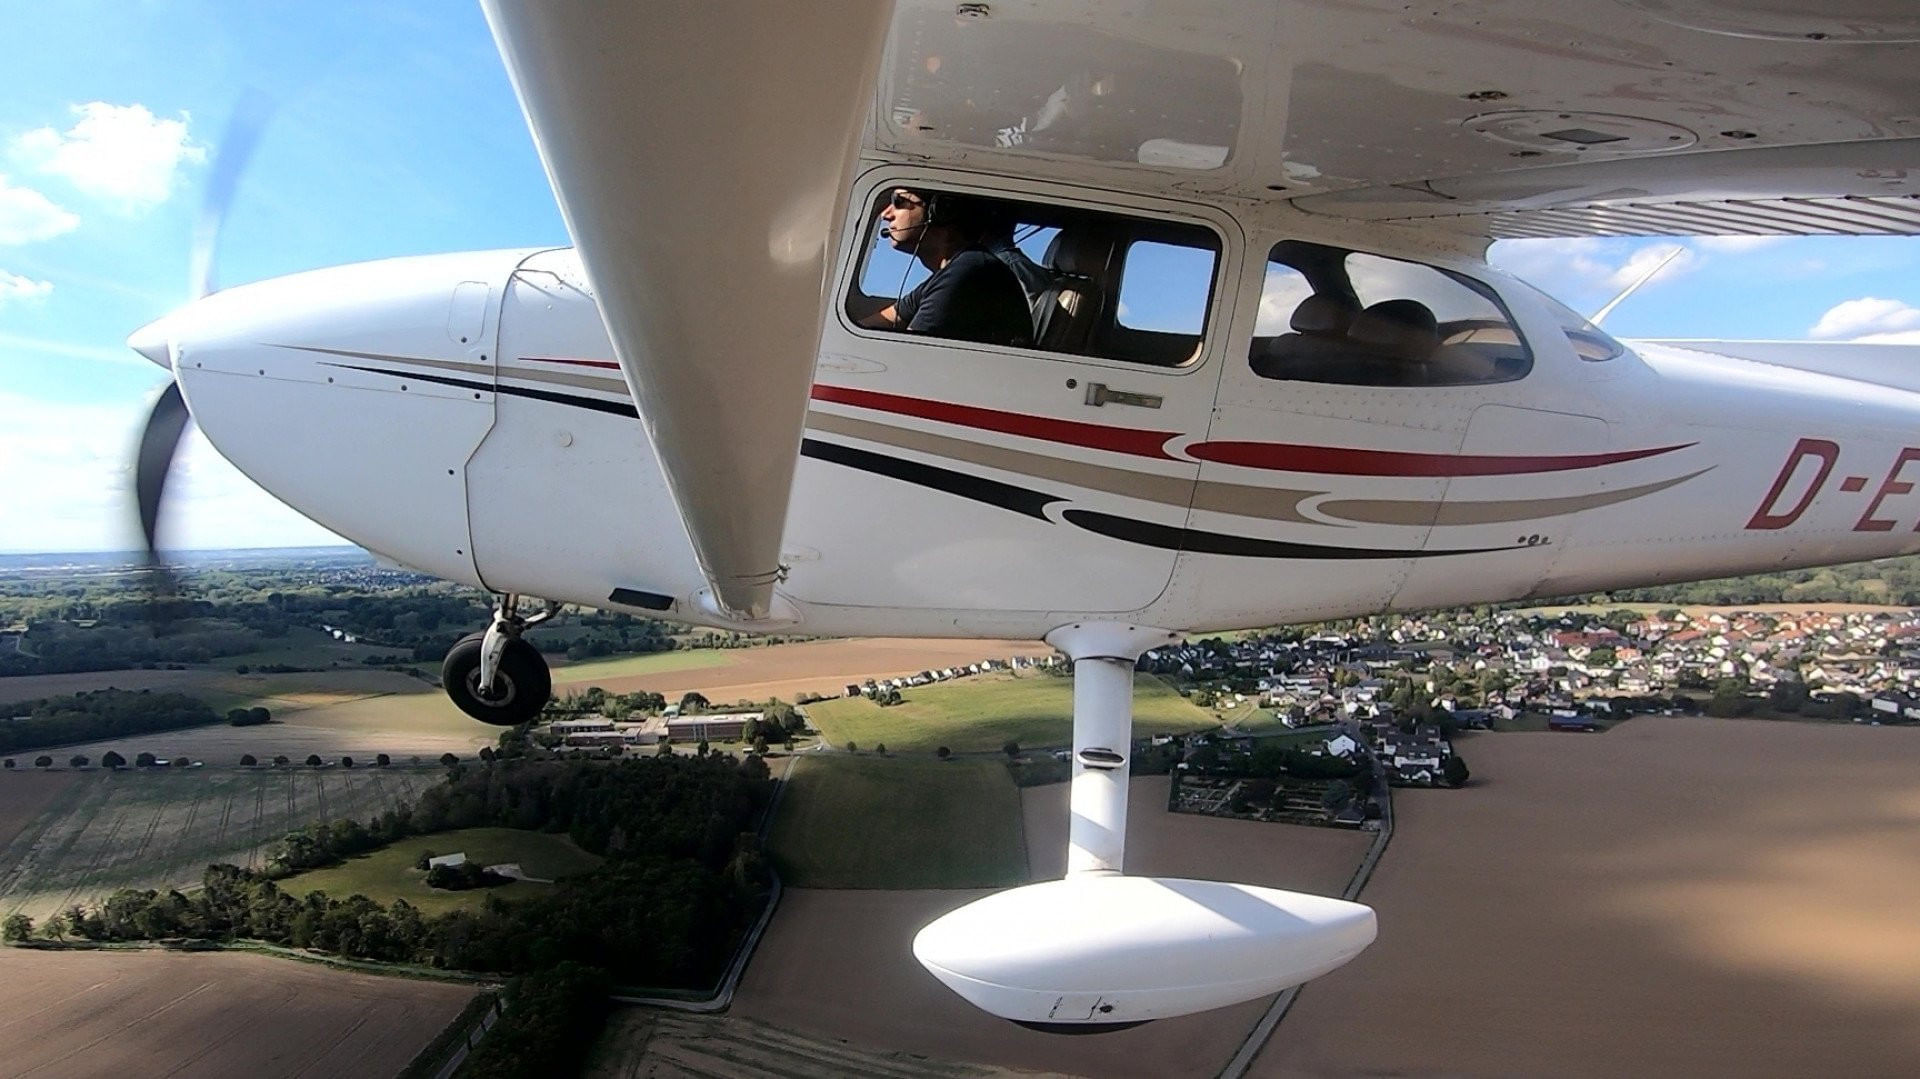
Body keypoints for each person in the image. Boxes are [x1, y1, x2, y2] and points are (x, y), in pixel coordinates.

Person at [858, 188, 1033, 348]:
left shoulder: (969, 271)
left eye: (899, 202)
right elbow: (886, 319)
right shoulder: (952, 271)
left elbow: (907, 354)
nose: (886, 215)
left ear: (941, 210)